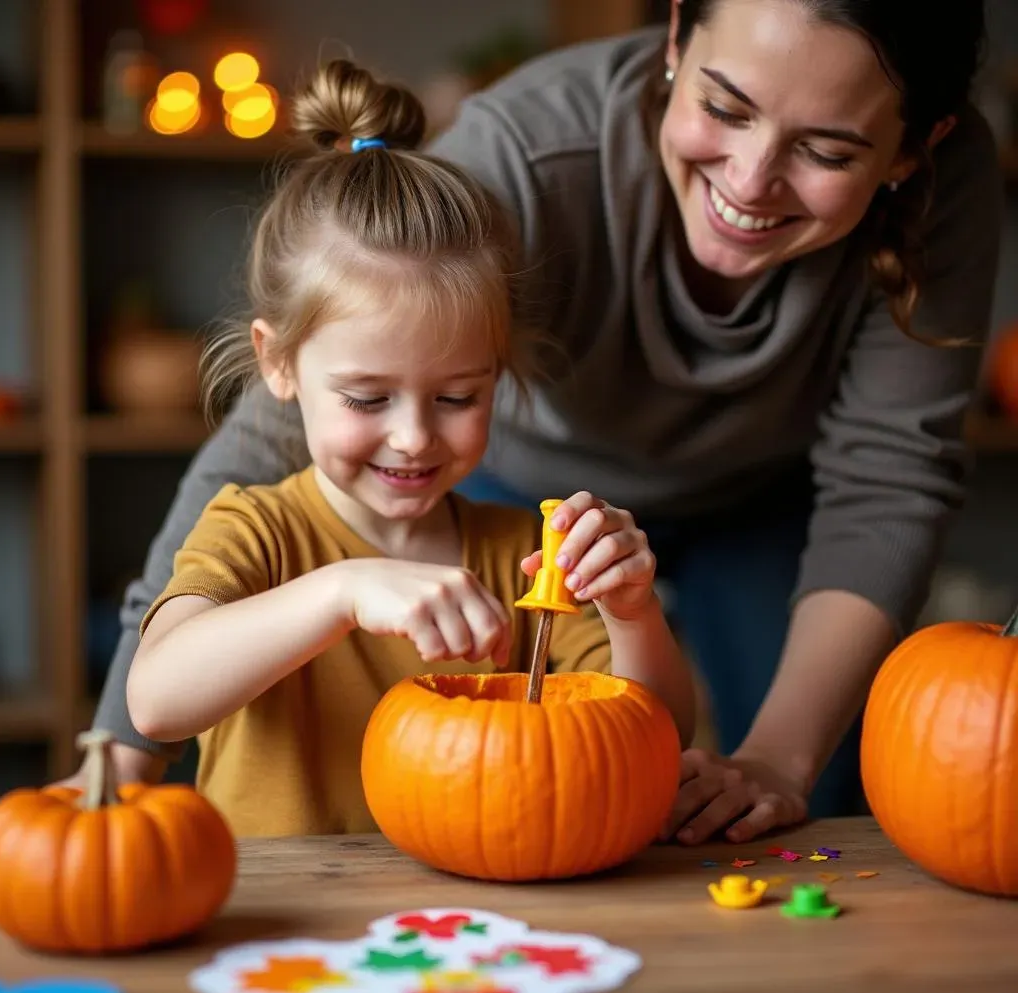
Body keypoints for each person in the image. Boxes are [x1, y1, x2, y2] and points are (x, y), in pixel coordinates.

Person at [82, 0, 1002, 844]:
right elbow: (163, 683)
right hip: (297, 906)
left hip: (725, 509)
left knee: (809, 798)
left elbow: (647, 724)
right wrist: (119, 760)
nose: (753, 180)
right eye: (727, 109)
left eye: (830, 152)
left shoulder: (520, 549)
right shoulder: (524, 155)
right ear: (678, 37)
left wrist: (648, 625)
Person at [119, 58, 696, 837]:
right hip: (281, 934)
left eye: (459, 396)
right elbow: (156, 700)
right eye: (367, 397)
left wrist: (631, 613)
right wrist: (344, 591)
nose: (415, 436)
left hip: (463, 930)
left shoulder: (521, 552)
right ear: (278, 364)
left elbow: (657, 732)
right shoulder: (257, 530)